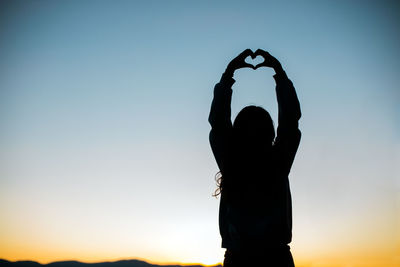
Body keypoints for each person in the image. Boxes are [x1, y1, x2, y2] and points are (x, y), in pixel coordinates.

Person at [208, 49, 301, 267]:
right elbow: (289, 124)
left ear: (236, 134)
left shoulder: (232, 164)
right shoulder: (278, 163)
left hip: (239, 258)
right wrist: (280, 74)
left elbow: (219, 125)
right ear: (270, 133)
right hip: (275, 258)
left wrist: (227, 76)